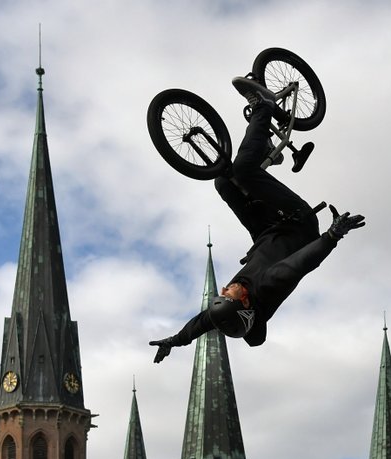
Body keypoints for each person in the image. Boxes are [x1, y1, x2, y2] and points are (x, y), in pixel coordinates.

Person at [149, 75, 365, 363]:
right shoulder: (268, 284)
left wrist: (177, 340)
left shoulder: (230, 308)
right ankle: (265, 106)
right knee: (243, 171)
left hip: (265, 232)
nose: (226, 288)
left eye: (223, 292)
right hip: (296, 222)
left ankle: (262, 149)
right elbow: (301, 263)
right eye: (229, 293)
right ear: (245, 303)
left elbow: (204, 322)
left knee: (223, 183)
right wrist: (333, 235)